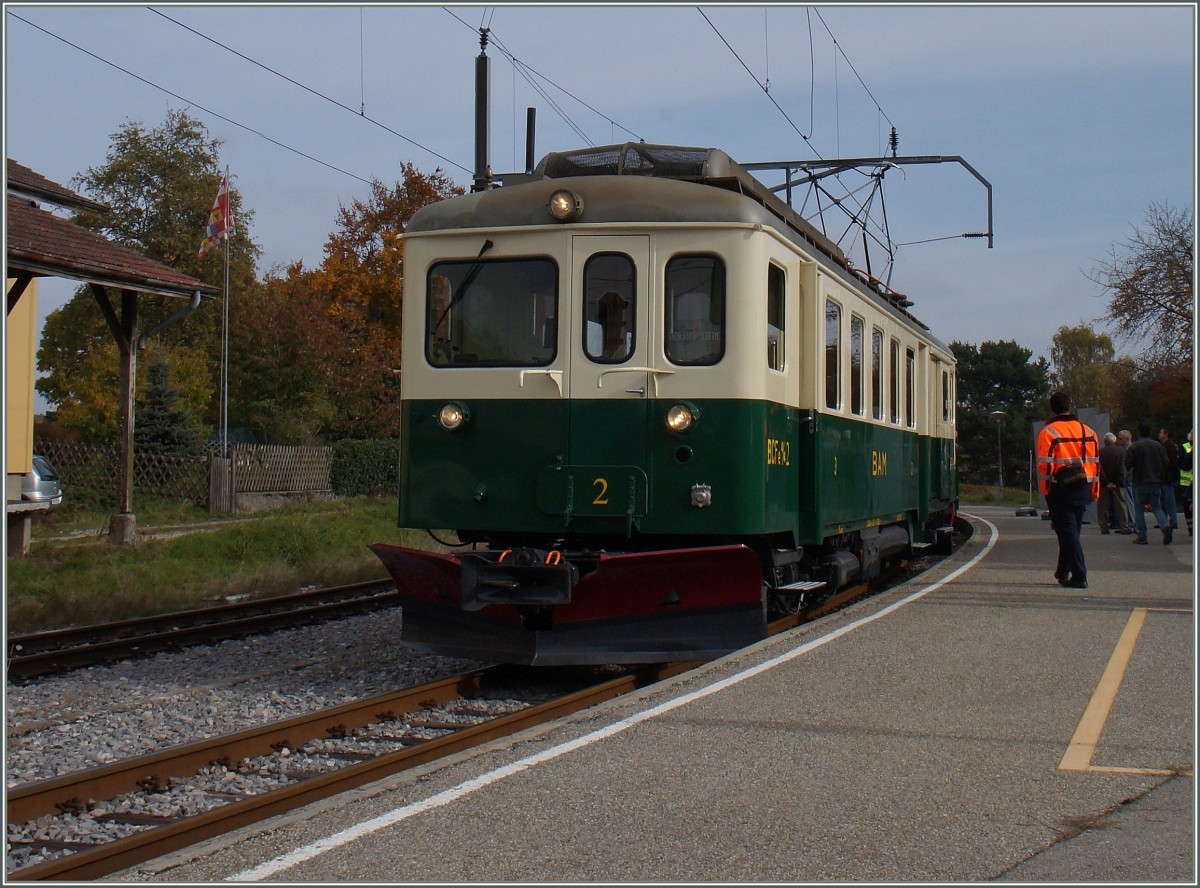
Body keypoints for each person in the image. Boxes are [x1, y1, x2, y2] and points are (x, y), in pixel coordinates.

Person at [1036, 392, 1100, 588]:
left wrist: (1046, 488)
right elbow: (1096, 463)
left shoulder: (1049, 433)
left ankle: (1080, 576)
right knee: (1072, 532)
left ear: (1052, 408)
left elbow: (1045, 466)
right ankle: (1063, 571)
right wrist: (1095, 489)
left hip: (1060, 488)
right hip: (1084, 486)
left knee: (1068, 533)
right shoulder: (1089, 432)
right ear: (1070, 406)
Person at [1126, 423, 1172, 545]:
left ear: (1138, 432)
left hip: (1139, 481)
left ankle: (1142, 536)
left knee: (1139, 510)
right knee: (1156, 507)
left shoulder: (1135, 446)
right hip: (1156, 481)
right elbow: (1166, 462)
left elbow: (1127, 463)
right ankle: (1165, 526)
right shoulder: (1158, 446)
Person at [1097, 432, 1132, 534]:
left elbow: (1099, 469)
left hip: (1104, 483)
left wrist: (1106, 481)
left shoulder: (1100, 452)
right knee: (1121, 505)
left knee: (1102, 506)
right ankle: (1124, 526)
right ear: (1115, 440)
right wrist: (1116, 482)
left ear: (1104, 441)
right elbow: (1122, 469)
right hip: (1118, 483)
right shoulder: (1121, 451)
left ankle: (1103, 527)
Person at [1159, 428, 1180, 532]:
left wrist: (1175, 476)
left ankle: (1173, 521)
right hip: (1165, 477)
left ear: (1166, 434)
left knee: (1169, 500)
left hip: (1168, 477)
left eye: (1161, 433)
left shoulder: (1169, 446)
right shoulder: (1165, 445)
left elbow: (1173, 462)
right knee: (1164, 500)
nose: (1159, 434)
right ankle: (1165, 521)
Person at [1118, 429, 1137, 525]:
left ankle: (1132, 521)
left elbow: (1127, 465)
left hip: (1129, 478)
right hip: (1132, 477)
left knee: (1129, 498)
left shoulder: (1128, 449)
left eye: (1120, 438)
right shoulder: (1129, 448)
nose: (1119, 440)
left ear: (1127, 438)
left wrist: (1125, 476)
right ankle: (1132, 521)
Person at [1180, 431, 1193, 537]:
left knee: (1188, 505)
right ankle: (1191, 527)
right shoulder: (1186, 446)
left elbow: (1183, 464)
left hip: (1189, 482)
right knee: (1188, 506)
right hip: (1187, 481)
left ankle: (1192, 527)